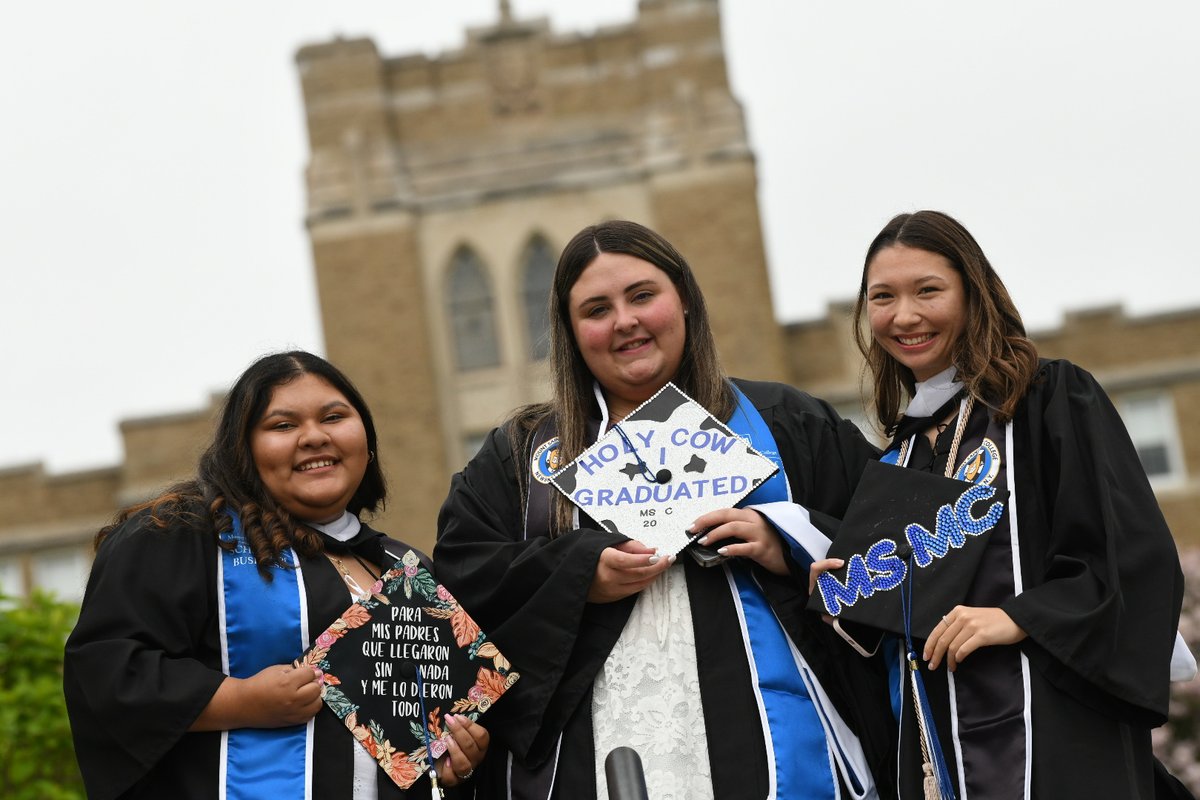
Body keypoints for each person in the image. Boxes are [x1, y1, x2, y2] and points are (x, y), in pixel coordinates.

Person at [434, 220, 894, 800]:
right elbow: (460, 584)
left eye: (642, 296)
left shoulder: (785, 422)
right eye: (596, 309)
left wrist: (789, 539)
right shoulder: (523, 457)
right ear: (571, 332)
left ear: (684, 301)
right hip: (590, 756)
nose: (624, 320)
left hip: (781, 749)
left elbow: (901, 544)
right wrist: (579, 572)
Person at [824, 210, 1187, 799]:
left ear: (974, 293)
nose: (904, 315)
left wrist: (1019, 617)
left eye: (928, 290)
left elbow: (1129, 555)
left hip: (1056, 729)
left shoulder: (1047, 400)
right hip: (939, 749)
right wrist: (853, 592)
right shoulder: (901, 458)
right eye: (882, 297)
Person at [64, 351, 489, 800]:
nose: (314, 437)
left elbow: (411, 737)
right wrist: (240, 700)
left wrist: (451, 762)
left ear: (367, 439)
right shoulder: (184, 532)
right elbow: (107, 674)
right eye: (283, 426)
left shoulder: (405, 567)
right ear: (241, 448)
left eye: (334, 416)